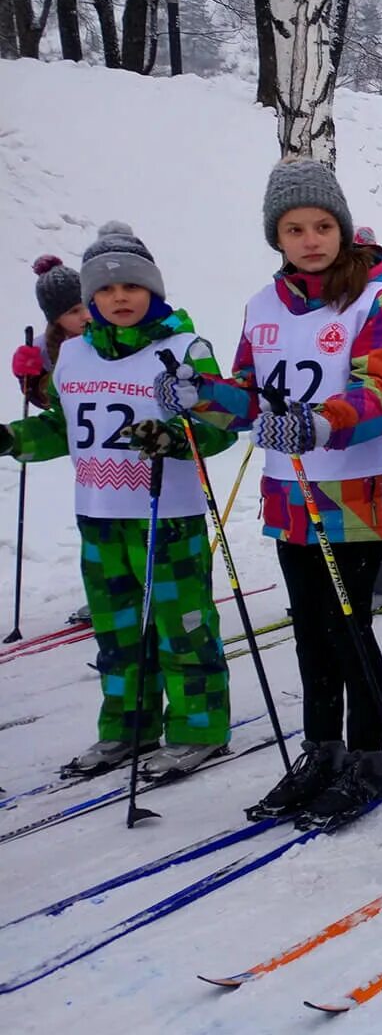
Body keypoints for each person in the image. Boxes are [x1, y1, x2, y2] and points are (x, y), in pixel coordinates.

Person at [160, 159, 382, 830]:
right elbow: (248, 398)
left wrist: (317, 420)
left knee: (348, 625)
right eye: (294, 227)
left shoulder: (379, 303)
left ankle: (366, 753)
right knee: (308, 630)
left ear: (342, 228)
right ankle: (322, 748)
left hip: (358, 488)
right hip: (289, 489)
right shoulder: (263, 307)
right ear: (277, 236)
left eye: (323, 225)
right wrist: (201, 396)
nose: (310, 239)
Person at [0, 224, 237, 778]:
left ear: (153, 291)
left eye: (132, 286)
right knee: (118, 633)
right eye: (105, 291)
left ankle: (198, 727)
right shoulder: (75, 356)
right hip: (101, 518)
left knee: (182, 628)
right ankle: (127, 728)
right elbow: (64, 429)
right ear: (89, 299)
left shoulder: (183, 349)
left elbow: (223, 425)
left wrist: (177, 437)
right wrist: (14, 439)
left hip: (167, 518)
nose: (119, 298)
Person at [14, 255, 89, 410]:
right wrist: (29, 380)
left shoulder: (115, 330)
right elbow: (46, 402)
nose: (86, 316)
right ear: (56, 319)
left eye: (88, 305)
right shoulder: (43, 350)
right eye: (74, 311)